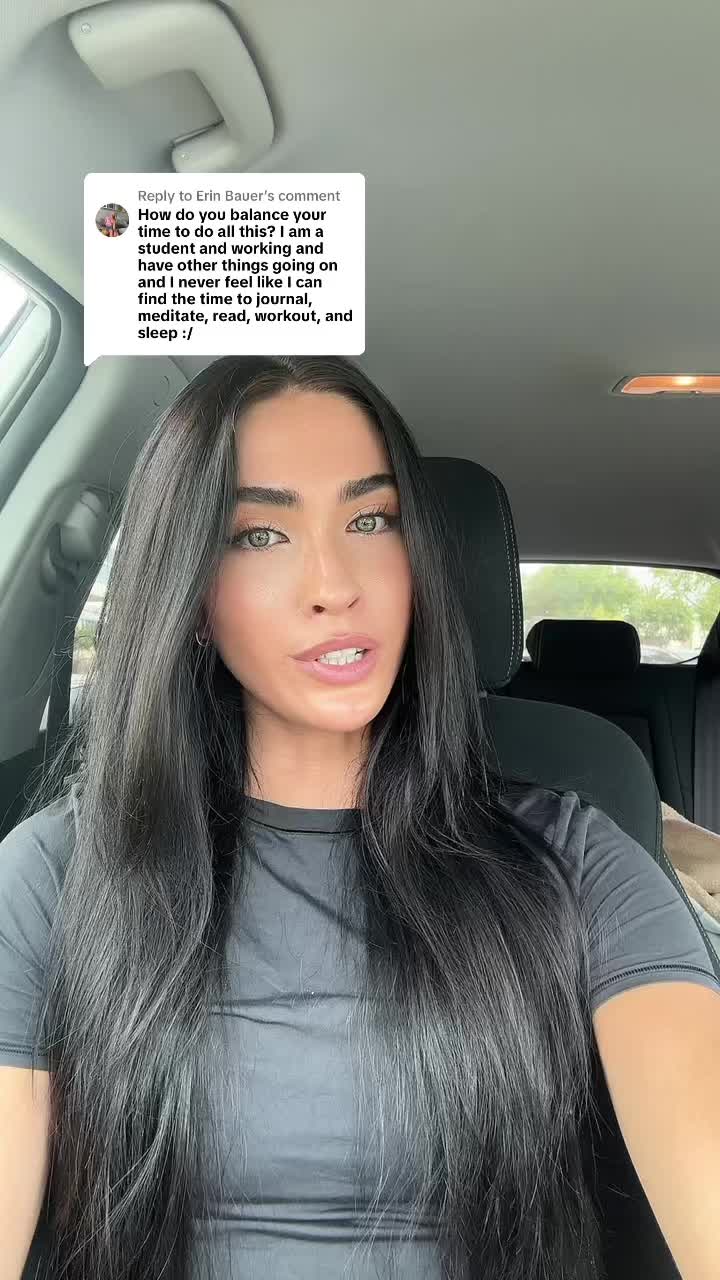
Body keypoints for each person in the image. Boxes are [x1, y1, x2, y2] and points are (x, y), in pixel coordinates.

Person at [1, 355, 719, 1280]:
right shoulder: (58, 874)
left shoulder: (575, 862)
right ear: (190, 597)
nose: (334, 583)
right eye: (260, 535)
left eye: (371, 520)